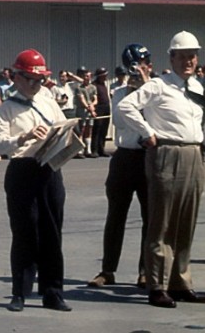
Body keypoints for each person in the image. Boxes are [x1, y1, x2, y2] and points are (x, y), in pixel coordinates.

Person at [115, 31, 205, 308]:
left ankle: (180, 281)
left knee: (186, 221)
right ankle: (157, 284)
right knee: (162, 222)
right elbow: (126, 105)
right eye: (182, 56)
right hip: (166, 152)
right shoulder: (158, 85)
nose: (188, 61)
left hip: (193, 152)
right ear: (172, 58)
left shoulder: (198, 88)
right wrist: (147, 132)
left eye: (192, 55)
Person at [0, 49, 71, 312]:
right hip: (22, 170)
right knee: (24, 232)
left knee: (52, 232)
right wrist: (23, 137)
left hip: (49, 168)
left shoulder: (49, 102)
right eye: (30, 79)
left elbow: (62, 127)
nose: (35, 85)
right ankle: (19, 292)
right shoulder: (7, 107)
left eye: (40, 80)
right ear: (16, 77)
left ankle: (52, 292)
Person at [88, 44, 153, 289]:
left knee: (150, 216)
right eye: (135, 67)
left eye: (144, 65)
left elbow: (154, 117)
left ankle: (145, 270)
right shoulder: (119, 93)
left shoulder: (156, 90)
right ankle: (108, 269)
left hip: (148, 156)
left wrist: (146, 88)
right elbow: (120, 119)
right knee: (116, 215)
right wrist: (133, 93)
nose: (139, 70)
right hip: (125, 156)